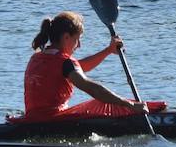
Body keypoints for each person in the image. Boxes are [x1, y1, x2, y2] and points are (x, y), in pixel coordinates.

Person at [11, 11, 154, 122]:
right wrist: (131, 105)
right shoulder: (64, 63)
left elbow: (78, 67)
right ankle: (158, 112)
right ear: (66, 37)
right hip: (53, 120)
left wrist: (108, 51)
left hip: (31, 119)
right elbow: (91, 88)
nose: (79, 45)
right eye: (77, 39)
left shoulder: (38, 57)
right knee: (111, 105)